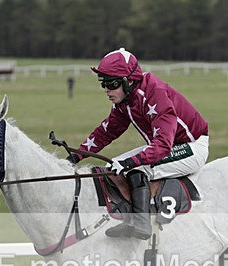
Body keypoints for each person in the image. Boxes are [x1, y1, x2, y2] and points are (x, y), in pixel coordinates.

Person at [70, 48, 209, 240]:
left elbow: (162, 146)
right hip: (168, 145)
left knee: (136, 168)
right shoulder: (126, 99)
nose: (106, 90)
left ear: (128, 81)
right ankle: (129, 217)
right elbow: (107, 131)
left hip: (191, 146)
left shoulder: (156, 94)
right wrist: (77, 155)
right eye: (103, 84)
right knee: (112, 167)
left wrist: (131, 163)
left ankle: (141, 224)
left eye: (111, 84)